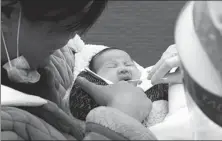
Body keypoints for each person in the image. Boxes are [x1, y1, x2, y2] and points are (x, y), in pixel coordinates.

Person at [75, 1, 222, 140]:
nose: (123, 68)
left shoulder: (152, 83)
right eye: (112, 66)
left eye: (128, 63)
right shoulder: (91, 89)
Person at [1, 0, 108, 140]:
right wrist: (120, 115)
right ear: (8, 14)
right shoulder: (7, 126)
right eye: (66, 27)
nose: (69, 38)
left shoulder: (56, 56)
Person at [88, 47, 152, 122]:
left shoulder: (150, 83)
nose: (123, 69)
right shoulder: (94, 94)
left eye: (128, 65)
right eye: (112, 66)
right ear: (96, 76)